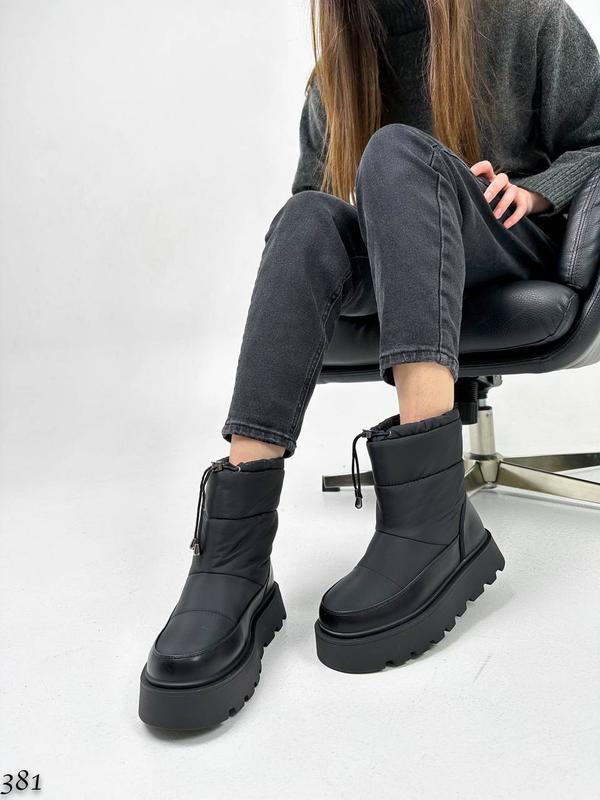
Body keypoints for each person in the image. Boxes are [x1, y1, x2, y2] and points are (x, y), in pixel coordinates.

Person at [138, 0, 600, 730]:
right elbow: (318, 213)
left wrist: (537, 190)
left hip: (513, 245)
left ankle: (431, 518)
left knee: (394, 150)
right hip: (409, 265)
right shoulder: (337, 71)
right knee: (303, 218)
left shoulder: (527, 17)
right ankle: (233, 558)